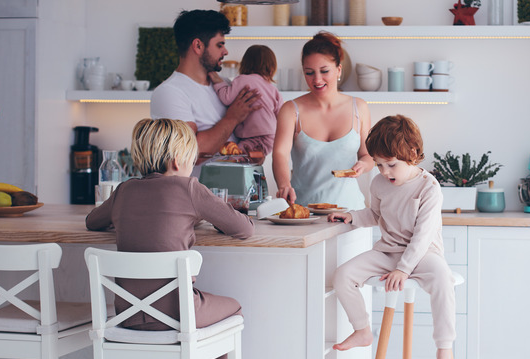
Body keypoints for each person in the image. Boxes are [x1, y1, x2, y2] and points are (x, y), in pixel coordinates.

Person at [86, 118, 255, 359]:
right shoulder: (189, 187)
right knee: (232, 309)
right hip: (178, 313)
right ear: (178, 160)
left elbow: (92, 222)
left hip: (127, 315)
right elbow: (244, 229)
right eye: (192, 160)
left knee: (184, 314)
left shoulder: (123, 190)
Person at [327, 115, 457, 359]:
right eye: (378, 165)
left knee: (443, 279)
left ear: (411, 154)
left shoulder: (429, 188)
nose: (385, 172)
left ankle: (444, 349)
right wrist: (353, 217)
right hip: (387, 252)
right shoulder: (378, 184)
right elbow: (375, 215)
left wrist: (404, 269)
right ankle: (362, 330)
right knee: (342, 275)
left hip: (423, 254)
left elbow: (422, 236)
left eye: (391, 164)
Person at [272, 31, 374, 210]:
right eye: (309, 73)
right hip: (304, 213)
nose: (317, 80)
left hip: (352, 213)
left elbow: (368, 155)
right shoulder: (291, 110)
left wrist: (363, 165)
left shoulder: (359, 107)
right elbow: (280, 154)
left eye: (324, 71)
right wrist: (284, 185)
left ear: (339, 70)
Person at [150, 9, 261, 167]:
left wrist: (255, 154)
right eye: (219, 45)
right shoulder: (169, 93)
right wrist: (232, 118)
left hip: (241, 190)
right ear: (198, 46)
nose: (225, 51)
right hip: (196, 192)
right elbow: (190, 154)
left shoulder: (225, 86)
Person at [208, 44, 283, 157]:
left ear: (244, 64)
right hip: (271, 137)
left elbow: (226, 98)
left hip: (252, 137)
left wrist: (218, 82)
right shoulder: (273, 89)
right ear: (272, 69)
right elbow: (282, 115)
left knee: (235, 157)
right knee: (250, 160)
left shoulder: (242, 80)